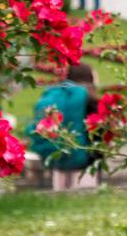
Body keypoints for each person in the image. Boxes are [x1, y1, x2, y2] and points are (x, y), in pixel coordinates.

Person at [30, 63, 98, 191]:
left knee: (60, 191)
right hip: (83, 158)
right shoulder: (87, 96)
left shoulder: (53, 93)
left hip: (55, 157)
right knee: (84, 193)